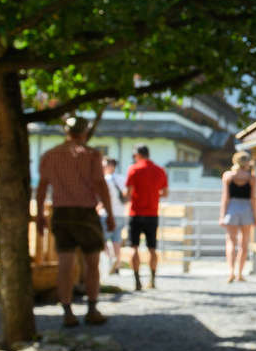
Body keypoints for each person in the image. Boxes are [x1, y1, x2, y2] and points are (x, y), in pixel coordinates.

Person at [34, 115, 114, 328]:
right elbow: (100, 185)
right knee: (92, 263)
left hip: (61, 212)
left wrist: (40, 214)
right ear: (85, 132)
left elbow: (42, 187)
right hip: (86, 213)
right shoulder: (91, 155)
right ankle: (92, 308)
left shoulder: (50, 155)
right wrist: (110, 213)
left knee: (65, 265)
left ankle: (67, 311)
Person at [123, 144, 168, 291]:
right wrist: (154, 194)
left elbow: (128, 192)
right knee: (152, 248)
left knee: (134, 247)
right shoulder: (160, 170)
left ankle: (137, 281)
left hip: (135, 213)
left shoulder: (134, 169)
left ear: (138, 155)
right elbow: (165, 192)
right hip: (152, 213)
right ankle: (153, 280)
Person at [220, 151, 256, 283]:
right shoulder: (251, 178)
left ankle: (231, 272)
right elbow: (253, 198)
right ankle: (240, 273)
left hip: (232, 209)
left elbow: (225, 198)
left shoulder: (228, 176)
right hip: (246, 209)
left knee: (231, 242)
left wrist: (222, 215)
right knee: (244, 243)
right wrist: (255, 216)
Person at [100, 156, 125, 276]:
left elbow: (103, 199)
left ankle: (110, 260)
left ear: (110, 166)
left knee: (102, 239)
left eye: (104, 165)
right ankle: (117, 264)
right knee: (117, 241)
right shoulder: (122, 179)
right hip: (121, 214)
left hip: (107, 214)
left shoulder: (106, 180)